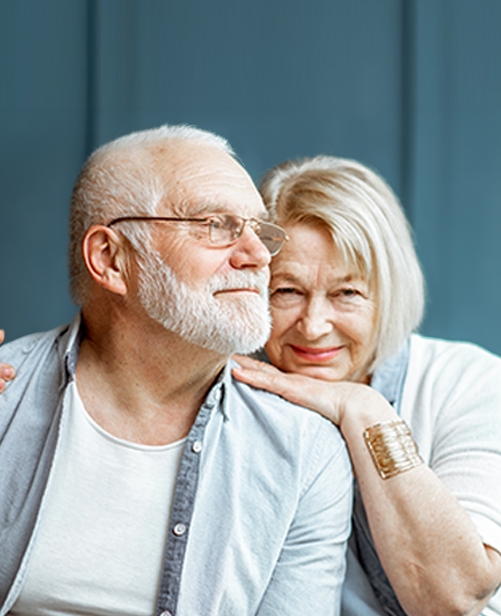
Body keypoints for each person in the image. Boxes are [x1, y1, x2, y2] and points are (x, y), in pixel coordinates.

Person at [0, 128, 353, 616]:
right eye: (216, 225)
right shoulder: (5, 398)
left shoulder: (303, 454)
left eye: (259, 230)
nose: (256, 256)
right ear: (111, 259)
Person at [232, 155, 501, 616]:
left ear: (389, 294)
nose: (314, 326)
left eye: (347, 294)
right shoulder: (231, 390)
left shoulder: (471, 383)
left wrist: (363, 409)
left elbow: (454, 598)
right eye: (287, 292)